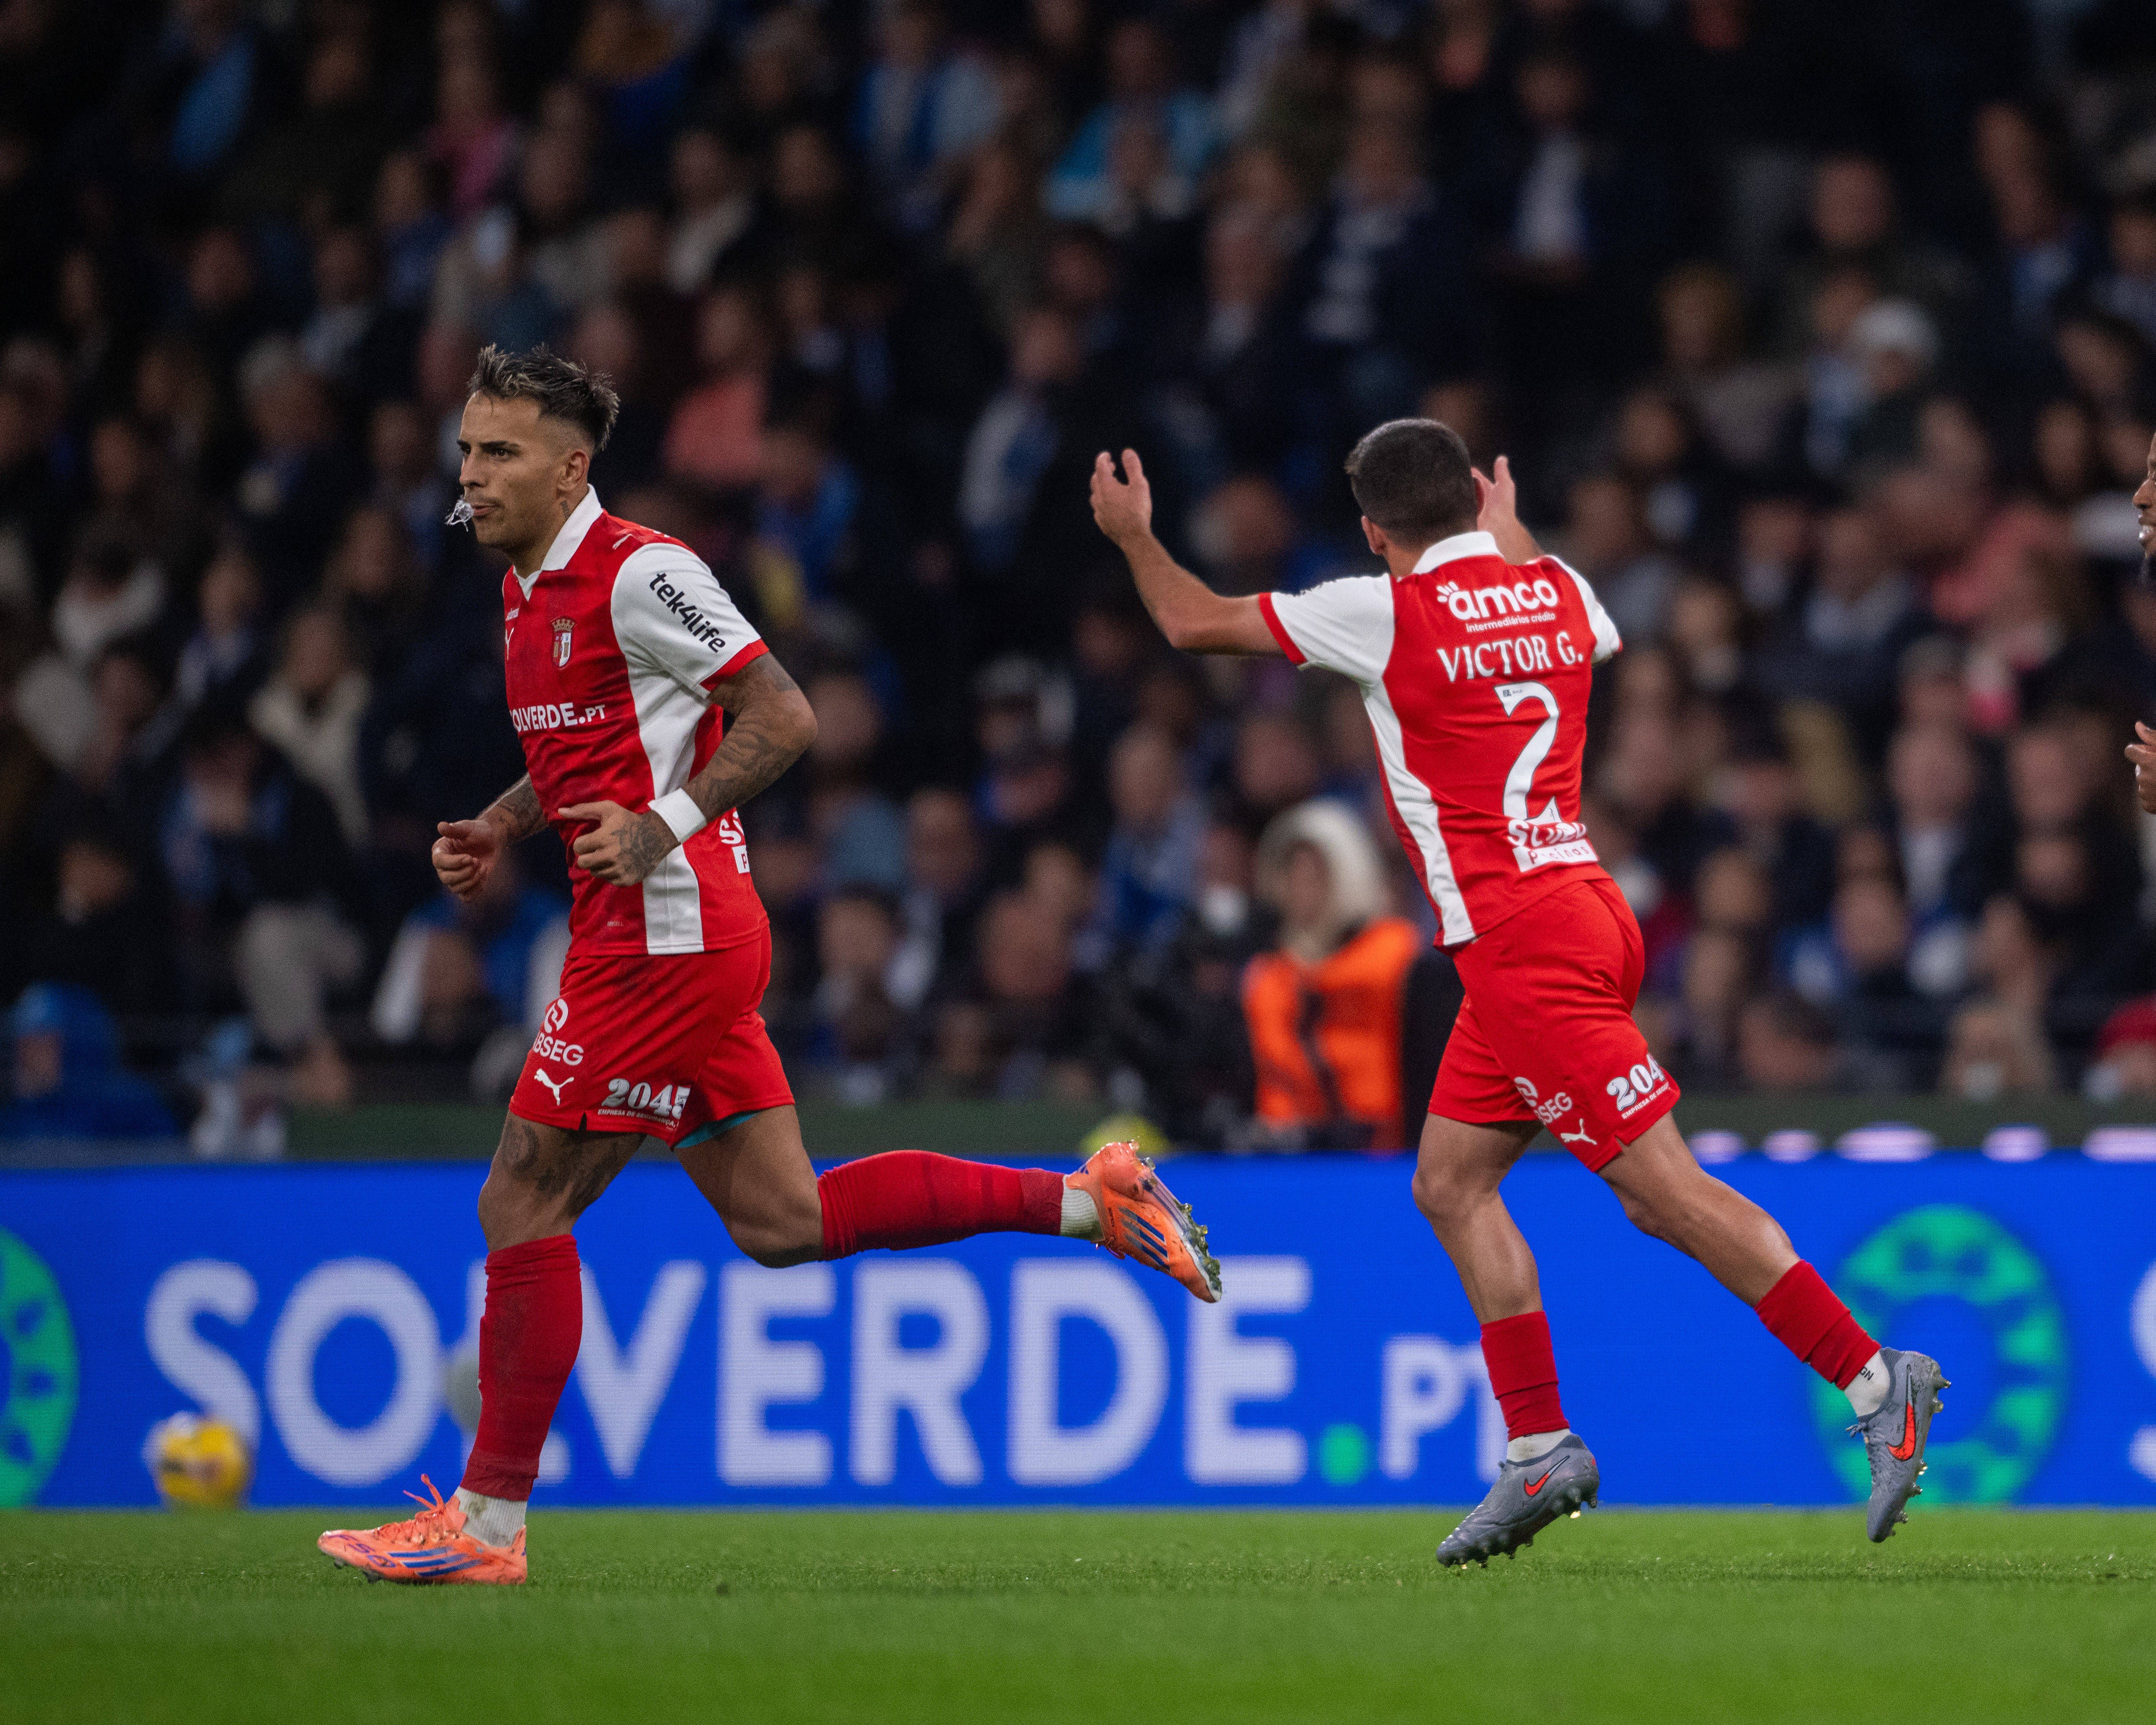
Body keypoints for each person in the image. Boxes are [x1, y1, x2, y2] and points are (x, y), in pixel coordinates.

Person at [317, 347, 1220, 1589]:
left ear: (571, 466)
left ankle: (485, 1523)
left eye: (501, 452)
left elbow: (785, 714)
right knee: (783, 1221)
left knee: (521, 1202)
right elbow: (599, 748)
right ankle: (1091, 1202)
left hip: (666, 935)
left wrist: (663, 829)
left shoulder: (643, 572)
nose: (471, 474)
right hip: (656, 928)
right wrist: (504, 823)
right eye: (468, 450)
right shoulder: (528, 591)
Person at [1090, 418, 1946, 1565]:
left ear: (1374, 530)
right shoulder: (1553, 585)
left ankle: (1874, 1376)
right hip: (1577, 911)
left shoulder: (1383, 609)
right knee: (1448, 1182)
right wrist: (1510, 528)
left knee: (1663, 1194)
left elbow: (1191, 620)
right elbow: (1576, 623)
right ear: (1473, 502)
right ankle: (1538, 1444)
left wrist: (1134, 536)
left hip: (1521, 946)